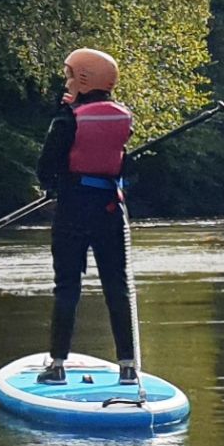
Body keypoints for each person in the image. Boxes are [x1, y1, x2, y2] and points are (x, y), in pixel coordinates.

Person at [34, 47, 138, 386]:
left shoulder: (67, 119)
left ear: (83, 79)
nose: (66, 82)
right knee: (117, 287)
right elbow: (122, 161)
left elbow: (45, 168)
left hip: (74, 210)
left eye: (69, 75)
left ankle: (57, 365)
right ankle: (128, 367)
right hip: (110, 209)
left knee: (67, 287)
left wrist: (52, 186)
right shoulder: (124, 116)